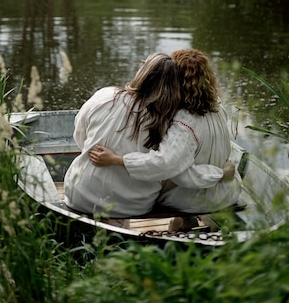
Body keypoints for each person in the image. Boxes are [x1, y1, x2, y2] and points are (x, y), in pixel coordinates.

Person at [89, 48, 241, 216]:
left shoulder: (185, 120)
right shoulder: (217, 106)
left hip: (195, 201)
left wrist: (117, 160)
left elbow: (167, 165)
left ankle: (181, 221)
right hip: (229, 193)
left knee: (148, 188)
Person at [63, 52, 182, 218]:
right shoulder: (170, 120)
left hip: (80, 198)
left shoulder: (105, 95)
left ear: (142, 72)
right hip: (133, 207)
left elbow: (80, 136)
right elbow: (165, 164)